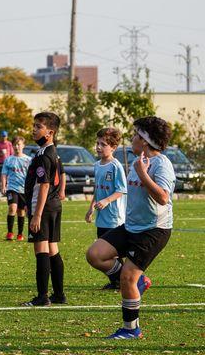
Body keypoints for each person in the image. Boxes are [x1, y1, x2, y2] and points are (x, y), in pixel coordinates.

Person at [86, 116, 175, 339]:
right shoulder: (139, 161)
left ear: (145, 141)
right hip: (131, 227)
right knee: (95, 255)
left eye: (136, 134)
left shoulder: (161, 164)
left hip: (153, 230)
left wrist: (143, 173)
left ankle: (131, 329)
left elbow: (163, 198)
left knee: (127, 277)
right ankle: (140, 281)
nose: (132, 138)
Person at [22, 112, 65, 306]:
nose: (34, 130)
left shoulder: (44, 155)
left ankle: (42, 297)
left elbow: (45, 185)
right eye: (34, 125)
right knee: (53, 249)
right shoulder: (53, 153)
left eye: (38, 127)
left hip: (44, 208)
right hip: (54, 206)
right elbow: (61, 175)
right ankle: (59, 294)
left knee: (41, 250)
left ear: (50, 132)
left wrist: (37, 215)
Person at [85, 127, 127, 289]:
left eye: (103, 144)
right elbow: (97, 189)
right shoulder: (97, 165)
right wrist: (91, 209)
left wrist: (107, 200)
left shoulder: (116, 166)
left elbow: (121, 190)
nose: (98, 147)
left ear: (113, 147)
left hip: (114, 217)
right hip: (101, 217)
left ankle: (123, 281)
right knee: (105, 251)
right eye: (97, 143)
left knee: (113, 252)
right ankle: (117, 281)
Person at [2, 136, 31, 241]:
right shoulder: (9, 159)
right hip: (12, 188)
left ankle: (20, 234)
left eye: (19, 144)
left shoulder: (28, 160)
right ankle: (10, 233)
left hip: (24, 189)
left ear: (23, 146)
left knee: (21, 212)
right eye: (15, 144)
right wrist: (4, 185)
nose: (17, 146)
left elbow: (31, 176)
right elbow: (4, 174)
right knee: (12, 208)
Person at [0, 131, 14, 195]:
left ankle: (7, 191)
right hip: (0, 163)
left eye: (5, 136)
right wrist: (0, 154)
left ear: (7, 136)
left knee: (8, 177)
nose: (4, 137)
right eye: (3, 136)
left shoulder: (9, 144)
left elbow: (12, 153)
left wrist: (11, 160)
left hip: (8, 163)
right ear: (1, 136)